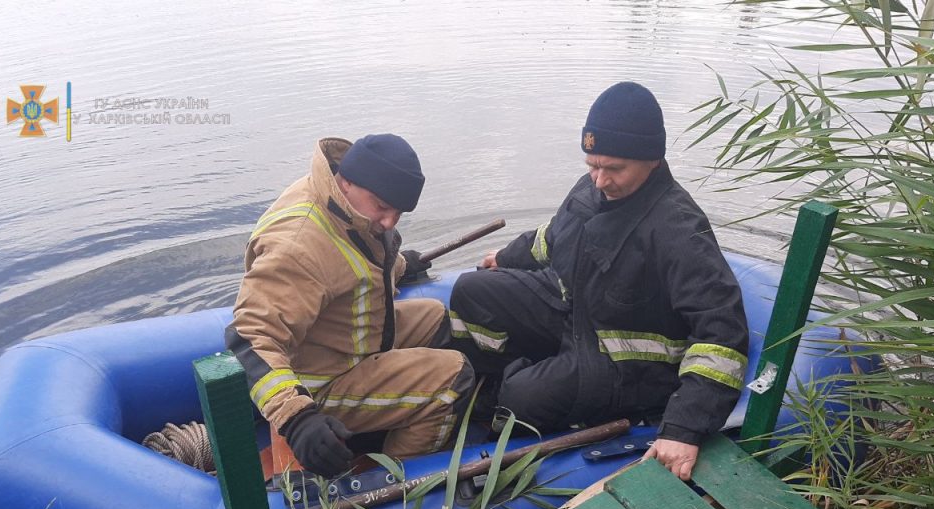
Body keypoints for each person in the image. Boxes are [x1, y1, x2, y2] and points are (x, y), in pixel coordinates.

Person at [449, 82, 749, 481]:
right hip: (574, 311)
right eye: (593, 164)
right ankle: (490, 382)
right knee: (471, 290)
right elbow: (552, 238)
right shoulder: (590, 189)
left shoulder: (678, 227)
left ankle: (515, 395)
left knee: (521, 396)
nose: (600, 180)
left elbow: (722, 331)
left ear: (652, 160)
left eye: (614, 169)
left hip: (624, 359)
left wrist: (684, 427)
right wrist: (505, 258)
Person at [225, 135, 474, 478]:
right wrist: (297, 416)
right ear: (348, 181)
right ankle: (394, 480)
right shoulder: (298, 243)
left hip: (342, 341)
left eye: (399, 213)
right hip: (316, 383)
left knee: (433, 314)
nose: (389, 222)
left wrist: (399, 264)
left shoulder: (340, 201)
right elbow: (250, 337)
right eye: (383, 207)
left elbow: (351, 257)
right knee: (454, 378)